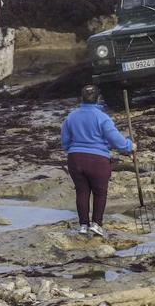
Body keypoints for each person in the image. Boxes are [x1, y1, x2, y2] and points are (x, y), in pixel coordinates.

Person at [60, 85, 134, 238]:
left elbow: (65, 142)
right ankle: (96, 224)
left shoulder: (71, 117)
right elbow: (116, 139)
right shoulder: (102, 117)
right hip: (97, 160)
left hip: (75, 159)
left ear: (81, 98)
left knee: (82, 191)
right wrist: (129, 146)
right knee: (100, 192)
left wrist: (73, 148)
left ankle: (83, 225)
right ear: (98, 98)